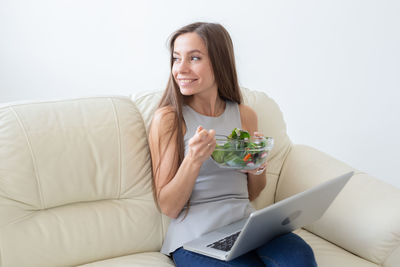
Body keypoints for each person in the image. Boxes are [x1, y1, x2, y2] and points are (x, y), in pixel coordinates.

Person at [148, 22, 317, 267]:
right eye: (176, 59)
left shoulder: (245, 115)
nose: (180, 69)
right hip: (195, 237)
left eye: (194, 58)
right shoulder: (169, 118)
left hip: (247, 227)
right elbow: (169, 207)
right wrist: (193, 160)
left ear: (219, 61)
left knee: (300, 258)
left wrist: (257, 166)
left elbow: (252, 192)